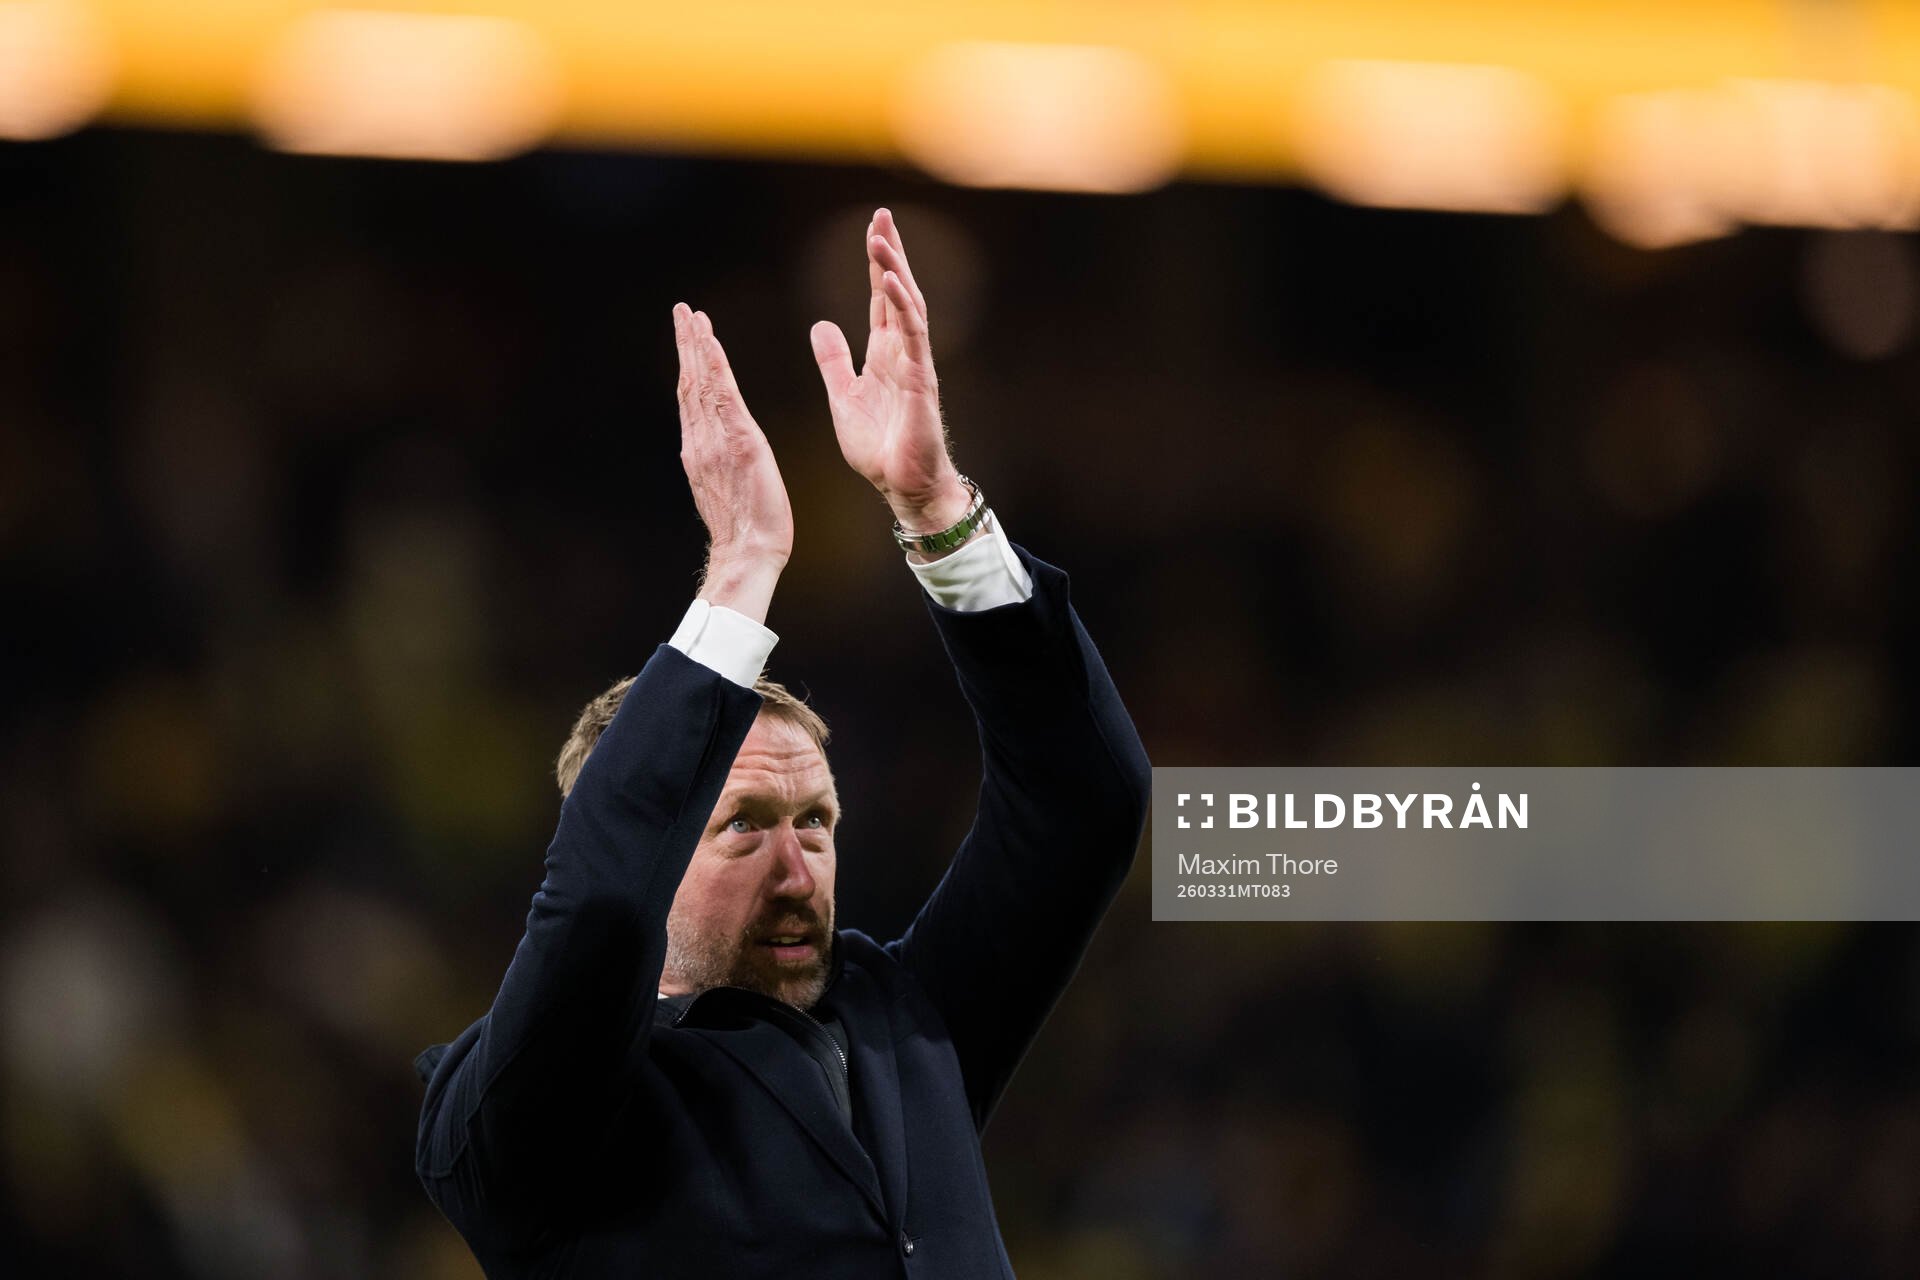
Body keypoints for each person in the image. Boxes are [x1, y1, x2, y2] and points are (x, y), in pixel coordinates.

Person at [413, 209, 1152, 1277]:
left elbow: (1086, 800)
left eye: (815, 819)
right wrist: (743, 565)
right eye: (744, 826)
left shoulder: (911, 1025)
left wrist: (936, 509)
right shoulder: (520, 1113)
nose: (799, 867)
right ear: (657, 836)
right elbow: (602, 905)